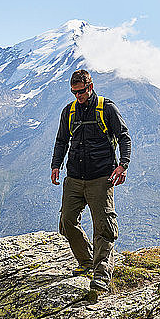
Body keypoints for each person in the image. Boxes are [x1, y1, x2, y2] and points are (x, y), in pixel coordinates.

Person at [51, 69, 131, 292]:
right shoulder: (69, 111)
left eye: (82, 91)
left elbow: (124, 136)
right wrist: (55, 165)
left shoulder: (107, 108)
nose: (79, 96)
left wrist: (123, 164)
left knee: (104, 227)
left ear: (91, 86)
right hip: (74, 177)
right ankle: (86, 262)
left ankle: (101, 275)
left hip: (101, 178)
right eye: (74, 92)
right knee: (67, 221)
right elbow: (61, 141)